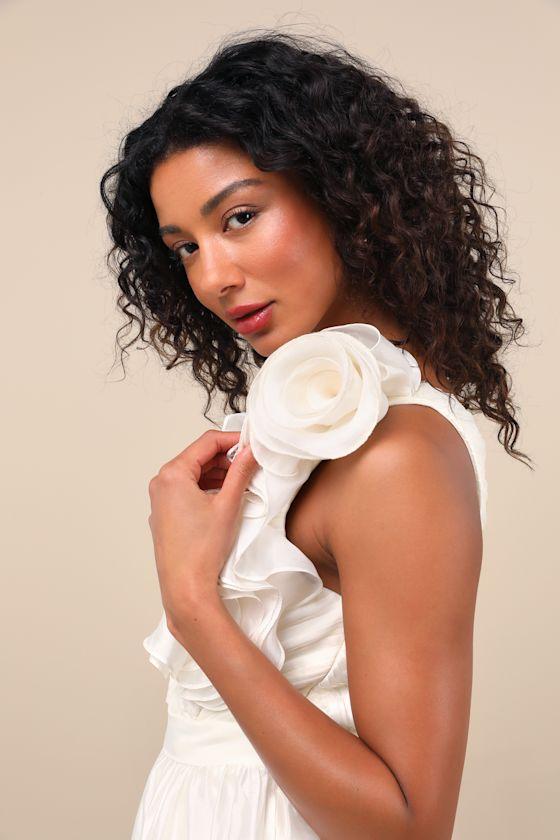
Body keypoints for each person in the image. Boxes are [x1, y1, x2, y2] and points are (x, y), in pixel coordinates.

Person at [100, 29, 532, 840]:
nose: (212, 277)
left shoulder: (396, 458)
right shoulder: (315, 434)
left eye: (240, 217)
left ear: (343, 193)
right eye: (185, 248)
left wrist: (194, 603)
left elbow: (408, 826)